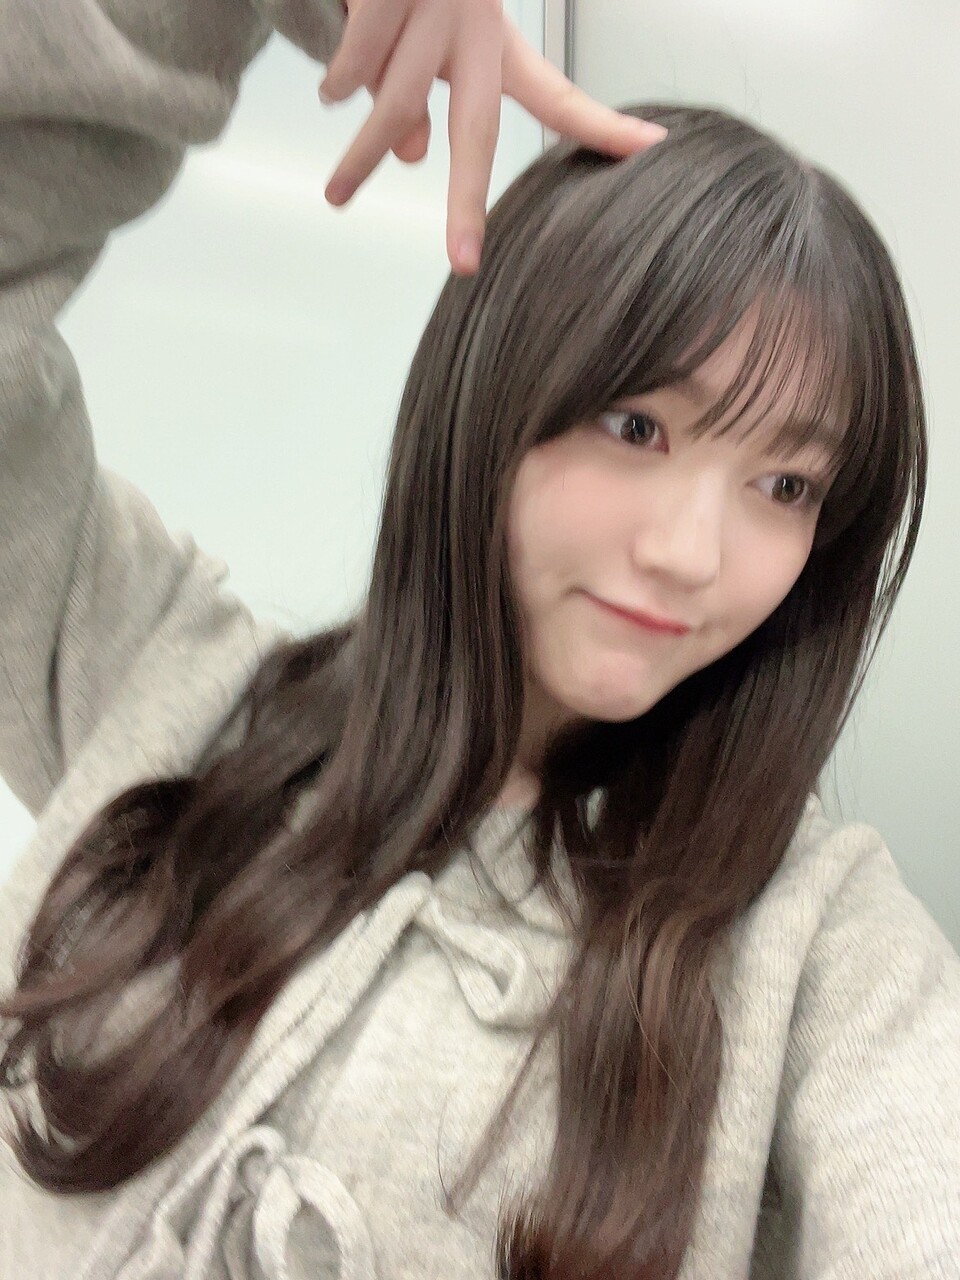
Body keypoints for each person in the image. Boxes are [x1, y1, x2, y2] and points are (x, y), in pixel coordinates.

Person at [0, 0, 958, 1277]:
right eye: (638, 426)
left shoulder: (815, 931)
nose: (692, 552)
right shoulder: (165, 669)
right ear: (493, 391)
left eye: (786, 485)